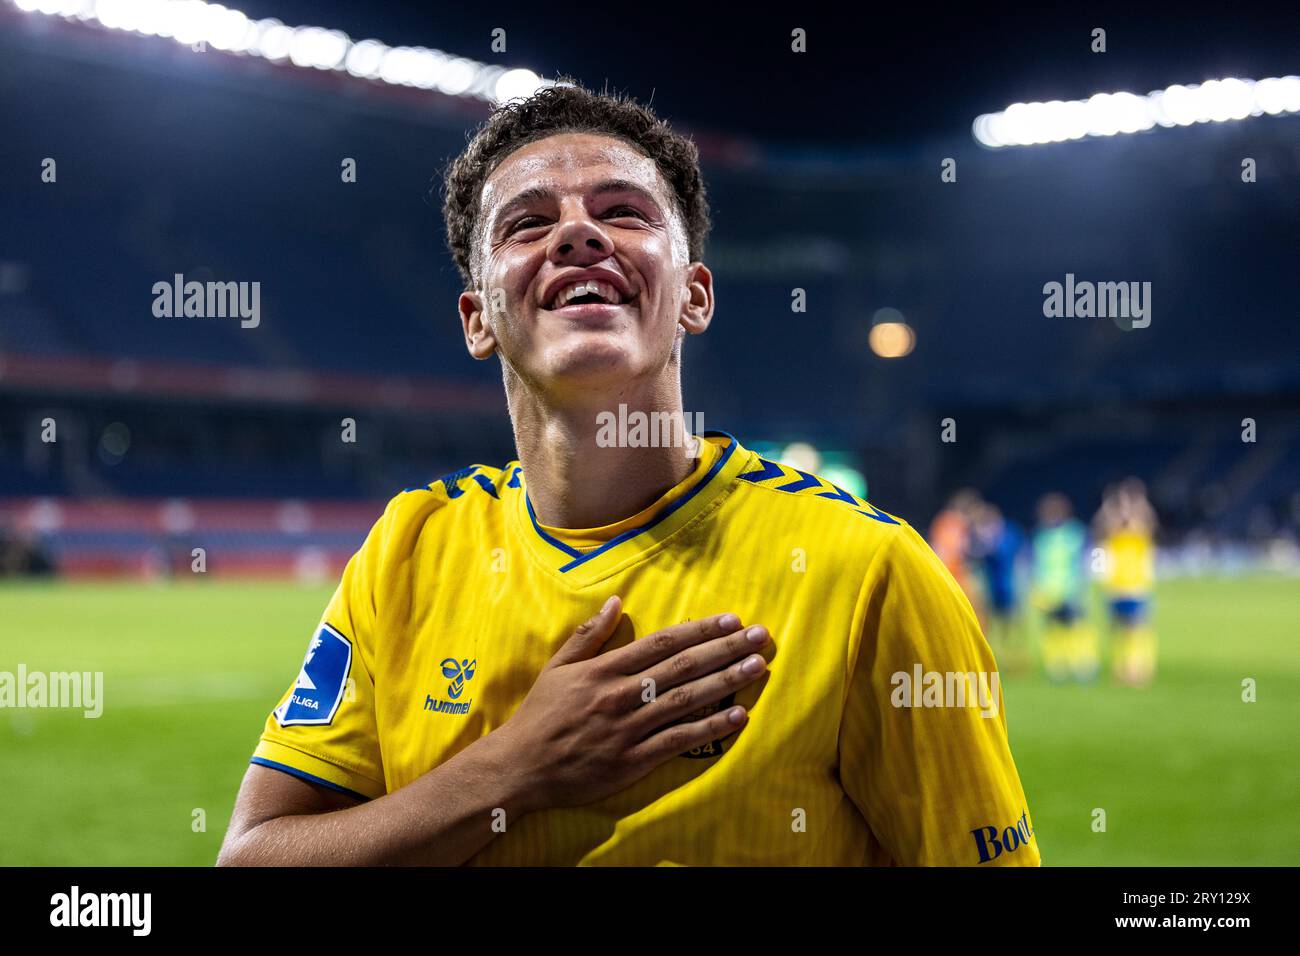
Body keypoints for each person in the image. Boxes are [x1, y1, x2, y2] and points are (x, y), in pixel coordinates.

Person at [217, 82, 1039, 866]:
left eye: (623, 212)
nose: (579, 234)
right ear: (477, 319)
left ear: (694, 294)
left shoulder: (870, 575)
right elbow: (252, 856)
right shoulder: (406, 553)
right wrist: (515, 767)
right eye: (527, 224)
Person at [1095, 478, 1158, 686]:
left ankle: (1139, 669)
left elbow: (1147, 519)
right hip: (1116, 588)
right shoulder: (1112, 536)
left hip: (1136, 587)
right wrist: (1108, 504)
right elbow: (1102, 525)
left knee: (1138, 631)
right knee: (1118, 632)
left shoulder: (1140, 534)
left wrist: (1139, 501)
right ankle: (1122, 667)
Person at [1031, 493, 1097, 682]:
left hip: (1071, 589)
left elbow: (1089, 557)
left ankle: (1082, 664)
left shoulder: (1075, 533)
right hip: (1049, 591)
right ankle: (1057, 665)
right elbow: (1037, 563)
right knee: (1053, 631)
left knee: (1077, 628)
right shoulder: (1041, 535)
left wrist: (1086, 583)